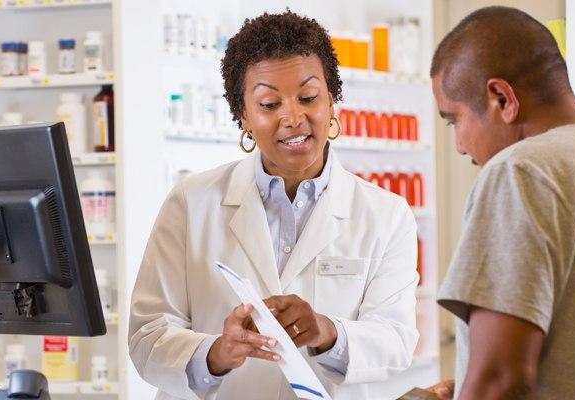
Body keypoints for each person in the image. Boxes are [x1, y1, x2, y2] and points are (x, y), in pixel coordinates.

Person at [128, 10, 420, 400]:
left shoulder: (386, 214)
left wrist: (325, 330)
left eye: (308, 97)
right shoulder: (190, 202)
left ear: (332, 101)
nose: (292, 117)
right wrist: (218, 351)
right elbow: (148, 335)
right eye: (269, 104)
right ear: (243, 116)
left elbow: (396, 339)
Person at [426, 6, 575, 400]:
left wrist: (479, 382)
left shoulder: (521, 171)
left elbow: (501, 379)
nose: (459, 145)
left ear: (501, 98)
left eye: (454, 121)